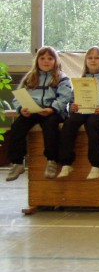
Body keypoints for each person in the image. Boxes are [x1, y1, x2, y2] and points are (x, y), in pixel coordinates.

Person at [5, 47, 72, 181]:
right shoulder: (30, 77)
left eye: (50, 58)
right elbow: (17, 97)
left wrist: (52, 108)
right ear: (37, 61)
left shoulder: (62, 78)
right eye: (42, 58)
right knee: (17, 127)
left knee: (51, 126)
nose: (46, 61)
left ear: (55, 61)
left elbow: (65, 97)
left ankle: (52, 160)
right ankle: (17, 162)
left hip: (52, 111)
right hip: (32, 111)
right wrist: (21, 108)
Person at [57, 46, 99, 180]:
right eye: (90, 58)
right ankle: (66, 163)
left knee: (92, 124)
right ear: (86, 61)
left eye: (97, 58)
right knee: (69, 123)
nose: (93, 61)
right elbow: (72, 100)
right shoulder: (81, 81)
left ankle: (96, 164)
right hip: (82, 111)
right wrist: (73, 106)